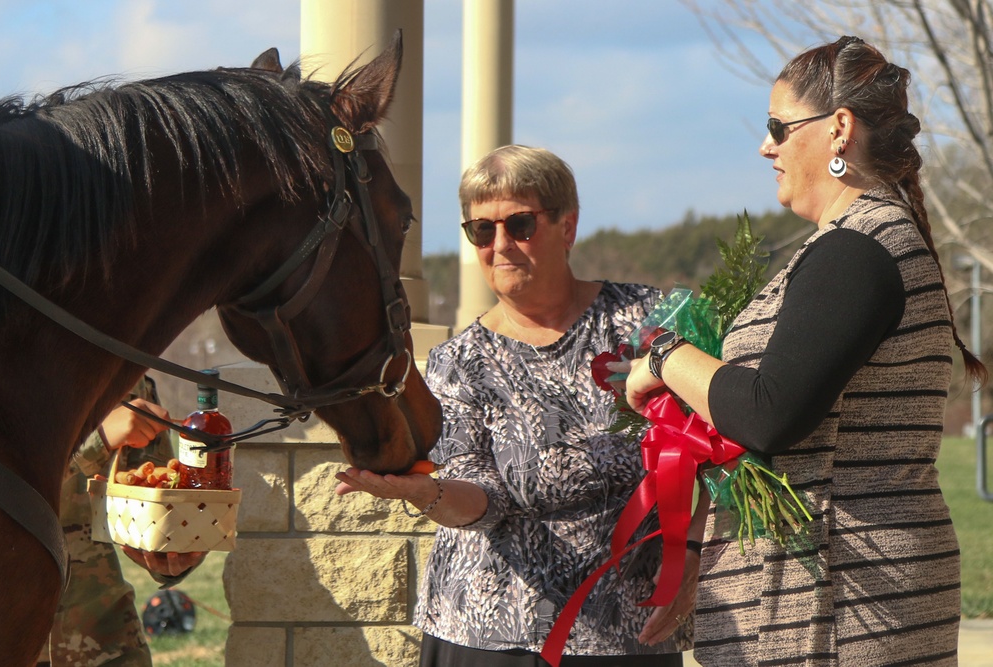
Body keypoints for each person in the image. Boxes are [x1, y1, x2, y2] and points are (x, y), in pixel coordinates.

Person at [621, 36, 988, 666]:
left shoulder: (859, 248)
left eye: (778, 127)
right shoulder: (860, 241)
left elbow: (770, 412)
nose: (766, 146)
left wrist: (663, 356)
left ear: (839, 128)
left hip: (839, 605)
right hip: (848, 592)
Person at [336, 145, 689, 665]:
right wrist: (428, 494)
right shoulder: (457, 362)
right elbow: (483, 497)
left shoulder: (644, 321)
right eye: (481, 230)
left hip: (626, 629)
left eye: (520, 225)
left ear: (567, 227)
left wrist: (693, 560)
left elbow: (709, 451)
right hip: (487, 636)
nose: (499, 245)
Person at [38, 376, 207, 666]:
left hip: (104, 642)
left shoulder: (122, 368)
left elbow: (152, 494)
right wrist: (96, 442)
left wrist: (172, 552)